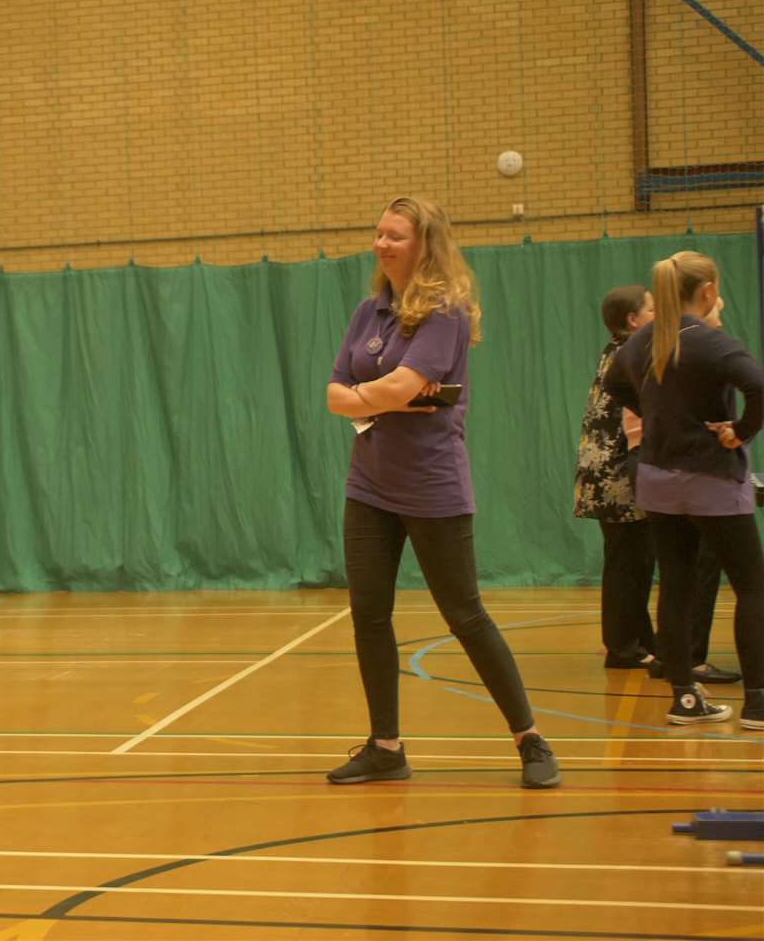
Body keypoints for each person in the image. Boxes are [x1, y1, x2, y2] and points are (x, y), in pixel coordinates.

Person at [323, 197, 560, 787]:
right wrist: (379, 396)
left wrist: (372, 393)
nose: (381, 244)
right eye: (377, 233)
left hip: (432, 486)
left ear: (424, 245)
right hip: (369, 486)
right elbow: (336, 392)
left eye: (395, 236)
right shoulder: (368, 311)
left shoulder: (445, 312)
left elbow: (401, 384)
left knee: (465, 615)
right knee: (368, 614)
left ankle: (530, 739)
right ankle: (386, 747)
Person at [602, 252, 764, 728]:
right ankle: (758, 702)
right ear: (708, 292)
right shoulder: (712, 344)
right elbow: (760, 388)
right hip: (712, 477)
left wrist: (657, 419)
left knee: (675, 583)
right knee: (752, 586)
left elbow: (615, 385)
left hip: (657, 479)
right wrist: (740, 430)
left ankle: (685, 698)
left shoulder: (640, 343)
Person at [574, 287, 736, 682]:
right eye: (651, 309)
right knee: (631, 561)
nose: (658, 314)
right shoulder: (636, 352)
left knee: (628, 559)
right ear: (633, 319)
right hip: (618, 467)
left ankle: (633, 641)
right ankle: (626, 647)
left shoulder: (615, 349)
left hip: (601, 468)